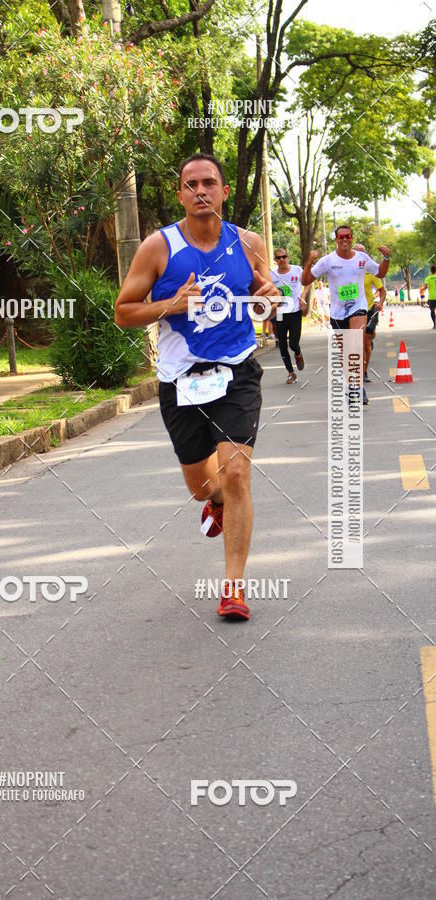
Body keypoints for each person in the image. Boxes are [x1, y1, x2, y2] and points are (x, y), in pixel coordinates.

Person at [114, 153, 280, 620]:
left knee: (237, 474)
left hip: (237, 371)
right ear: (181, 194)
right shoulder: (158, 247)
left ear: (225, 191)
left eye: (210, 182)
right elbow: (123, 311)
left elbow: (272, 304)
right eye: (191, 184)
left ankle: (233, 589)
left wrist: (274, 299)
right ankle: (217, 504)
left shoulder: (248, 244)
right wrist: (170, 304)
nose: (201, 190)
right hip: (180, 378)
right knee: (203, 486)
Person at [302, 225, 391, 406]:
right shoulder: (328, 261)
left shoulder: (362, 258)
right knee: (346, 353)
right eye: (340, 236)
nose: (344, 239)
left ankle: (357, 387)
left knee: (355, 346)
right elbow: (305, 280)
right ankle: (353, 386)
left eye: (347, 236)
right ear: (336, 239)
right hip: (337, 312)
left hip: (358, 307)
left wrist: (386, 257)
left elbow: (380, 272)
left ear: (351, 238)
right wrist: (310, 261)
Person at [270, 247, 310, 383]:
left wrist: (303, 297)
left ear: (288, 257)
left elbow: (308, 282)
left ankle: (298, 353)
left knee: (293, 343)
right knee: (282, 344)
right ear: (275, 260)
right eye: (279, 257)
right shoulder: (272, 275)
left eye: (284, 257)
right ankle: (291, 373)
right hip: (280, 313)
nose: (282, 260)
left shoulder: (297, 270)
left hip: (294, 311)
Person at [353, 243, 385, 383]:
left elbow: (382, 291)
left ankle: (364, 372)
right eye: (356, 253)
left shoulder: (370, 271)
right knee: (354, 343)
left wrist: (380, 303)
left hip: (370, 308)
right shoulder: (347, 271)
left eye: (361, 253)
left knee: (366, 342)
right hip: (352, 310)